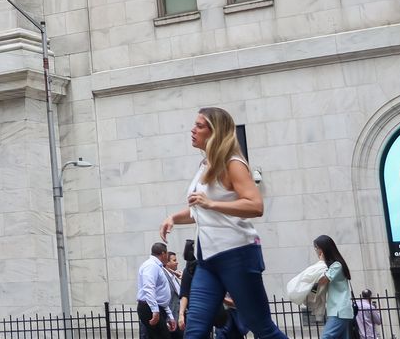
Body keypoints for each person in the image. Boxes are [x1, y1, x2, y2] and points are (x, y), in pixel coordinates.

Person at [160, 107, 293, 339]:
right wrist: (174, 218)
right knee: (194, 330)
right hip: (207, 261)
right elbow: (199, 211)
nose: (192, 130)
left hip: (237, 254)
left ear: (216, 132)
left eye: (200, 126)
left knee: (261, 327)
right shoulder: (204, 165)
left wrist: (211, 203)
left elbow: (255, 205)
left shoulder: (233, 163)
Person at [313, 236, 356, 339]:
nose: (316, 250)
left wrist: (321, 261)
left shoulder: (337, 265)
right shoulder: (334, 266)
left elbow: (322, 281)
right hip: (340, 311)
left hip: (339, 311)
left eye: (316, 247)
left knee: (326, 337)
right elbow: (317, 285)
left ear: (324, 249)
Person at [140, 241, 179, 339]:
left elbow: (160, 295)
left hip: (156, 307)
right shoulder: (151, 266)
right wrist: (155, 310)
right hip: (150, 308)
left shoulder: (156, 266)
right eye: (166, 253)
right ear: (163, 253)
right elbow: (149, 288)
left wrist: (169, 315)